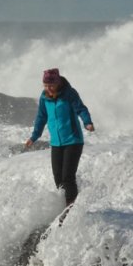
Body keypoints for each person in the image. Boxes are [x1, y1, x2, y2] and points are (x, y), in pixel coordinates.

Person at [26, 68, 94, 207]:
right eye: (45, 85)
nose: (48, 88)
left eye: (51, 85)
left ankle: (71, 209)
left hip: (73, 141)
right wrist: (34, 136)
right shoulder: (44, 97)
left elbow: (81, 108)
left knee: (67, 178)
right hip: (56, 143)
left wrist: (87, 122)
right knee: (58, 179)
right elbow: (41, 117)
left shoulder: (69, 93)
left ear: (58, 83)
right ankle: (64, 207)